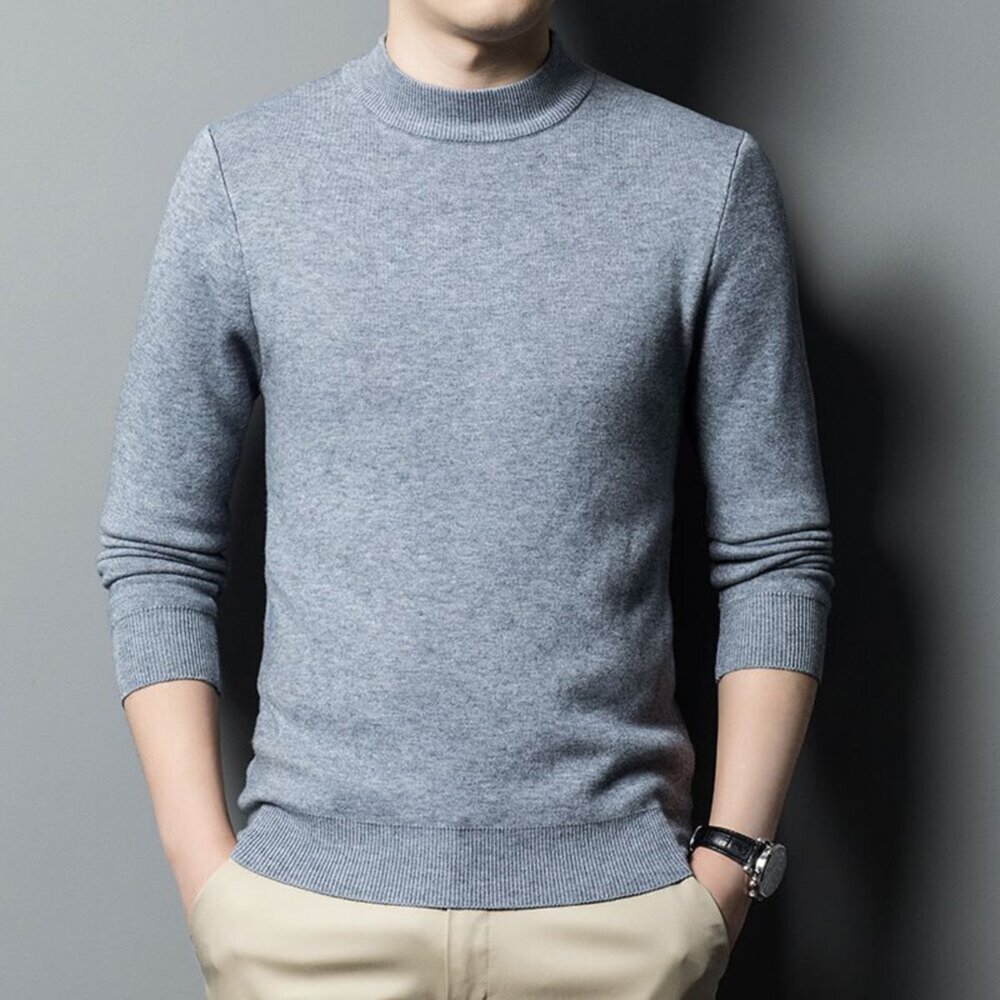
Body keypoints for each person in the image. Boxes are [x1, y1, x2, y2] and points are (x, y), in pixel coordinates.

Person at [95, 1, 834, 997]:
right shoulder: (246, 172)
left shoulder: (703, 179)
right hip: (306, 921)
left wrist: (727, 873)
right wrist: (207, 878)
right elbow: (158, 548)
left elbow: (775, 554)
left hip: (618, 925)